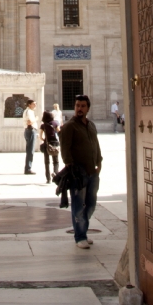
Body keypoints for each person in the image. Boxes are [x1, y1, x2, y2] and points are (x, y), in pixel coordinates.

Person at [59, 95, 102, 248]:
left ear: (88, 108)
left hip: (92, 172)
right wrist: (71, 166)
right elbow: (64, 149)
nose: (79, 109)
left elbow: (95, 144)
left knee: (90, 205)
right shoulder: (70, 126)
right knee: (78, 205)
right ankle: (80, 236)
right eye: (77, 105)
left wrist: (99, 162)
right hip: (78, 173)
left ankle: (83, 230)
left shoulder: (91, 125)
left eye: (83, 106)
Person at [40, 109, 60, 184]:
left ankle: (48, 178)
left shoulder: (43, 125)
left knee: (47, 162)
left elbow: (40, 136)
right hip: (55, 143)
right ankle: (55, 173)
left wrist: (44, 139)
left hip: (47, 144)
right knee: (56, 161)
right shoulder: (55, 123)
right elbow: (59, 132)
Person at [22, 98, 38, 175]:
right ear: (29, 105)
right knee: (30, 151)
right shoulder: (29, 112)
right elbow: (30, 122)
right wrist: (36, 119)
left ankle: (28, 167)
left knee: (29, 150)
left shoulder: (28, 111)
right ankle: (28, 168)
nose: (35, 105)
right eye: (34, 104)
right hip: (30, 130)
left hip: (29, 130)